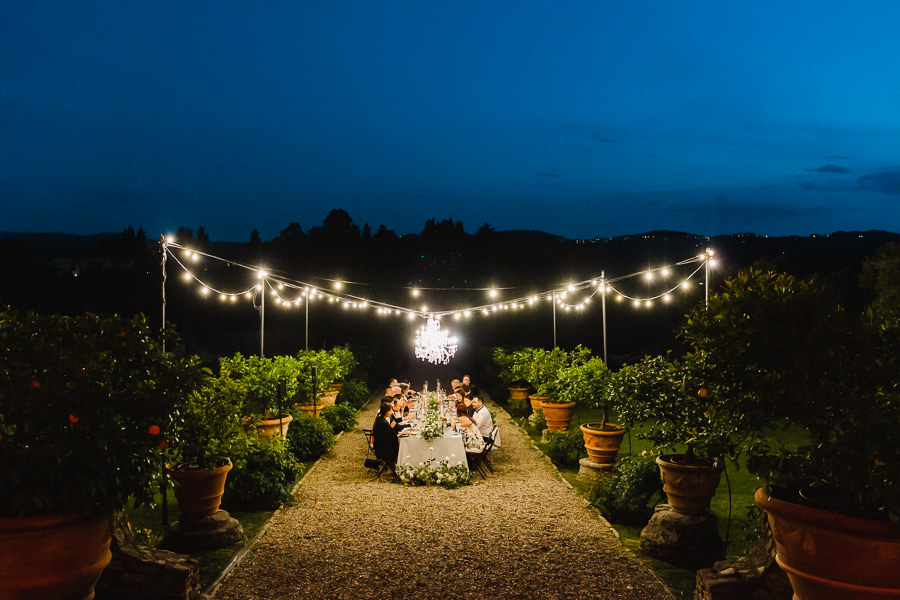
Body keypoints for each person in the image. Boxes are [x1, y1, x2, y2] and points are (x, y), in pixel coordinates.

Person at [372, 402, 402, 467]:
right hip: (383, 448)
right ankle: (394, 465)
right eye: (390, 411)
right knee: (400, 445)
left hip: (379, 445)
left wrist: (391, 428)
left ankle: (392, 466)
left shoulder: (381, 420)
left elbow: (387, 434)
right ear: (385, 412)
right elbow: (389, 437)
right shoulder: (383, 423)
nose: (391, 412)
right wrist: (402, 433)